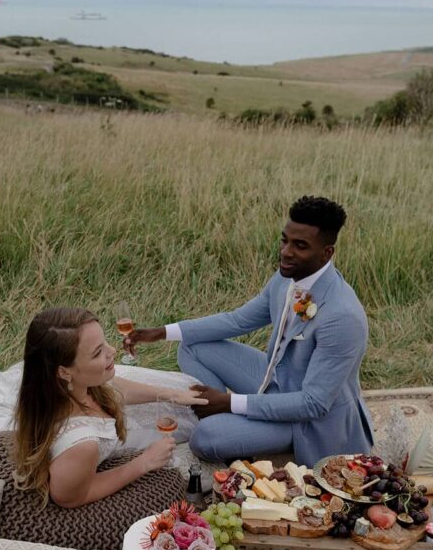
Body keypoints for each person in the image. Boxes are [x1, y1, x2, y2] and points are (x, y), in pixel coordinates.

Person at [126, 195, 373, 466]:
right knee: (192, 345)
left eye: (300, 246)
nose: (286, 252)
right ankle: (229, 420)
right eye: (285, 240)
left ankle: (230, 423)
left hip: (308, 420)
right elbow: (238, 320)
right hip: (273, 382)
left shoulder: (342, 317)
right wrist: (162, 332)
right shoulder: (287, 276)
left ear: (327, 253)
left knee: (204, 439)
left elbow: (313, 404)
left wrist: (230, 402)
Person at [13, 307, 206, 507]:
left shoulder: (70, 387)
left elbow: (112, 387)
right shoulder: (81, 443)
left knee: (181, 390)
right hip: (87, 494)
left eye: (104, 343)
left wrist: (171, 395)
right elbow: (69, 497)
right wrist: (144, 462)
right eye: (98, 352)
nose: (113, 350)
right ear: (63, 372)